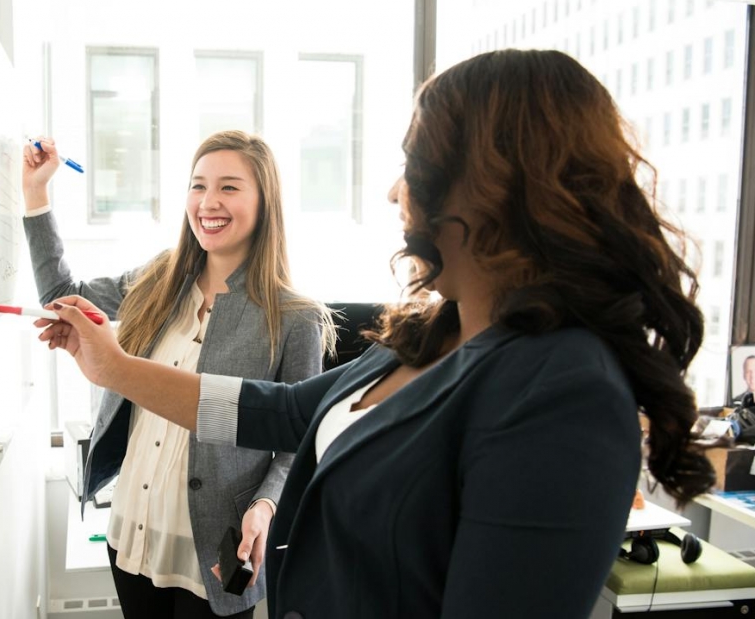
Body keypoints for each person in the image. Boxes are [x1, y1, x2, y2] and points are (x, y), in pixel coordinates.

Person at [36, 50, 718, 618]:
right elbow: (286, 411)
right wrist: (114, 367)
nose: (395, 191)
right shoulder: (427, 335)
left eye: (413, 162)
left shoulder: (563, 389)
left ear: (491, 183)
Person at [22, 130, 333, 618]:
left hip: (214, 549)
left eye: (229, 187)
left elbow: (300, 440)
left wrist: (267, 505)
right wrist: (36, 193)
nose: (209, 202)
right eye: (198, 185)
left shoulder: (294, 318)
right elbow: (62, 294)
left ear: (264, 201)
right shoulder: (159, 279)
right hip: (132, 530)